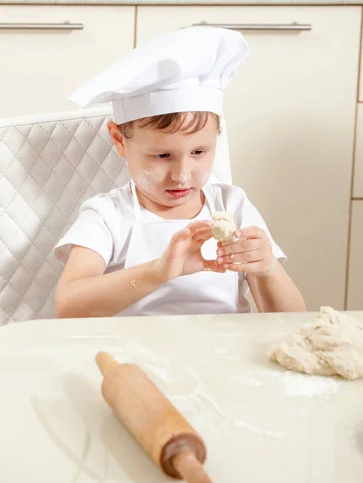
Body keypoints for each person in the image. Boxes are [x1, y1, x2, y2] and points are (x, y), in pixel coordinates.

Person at [53, 26, 305, 318]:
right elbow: (68, 306)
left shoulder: (232, 206)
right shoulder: (108, 215)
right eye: (162, 155)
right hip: (134, 353)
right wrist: (159, 271)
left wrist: (268, 269)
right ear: (120, 140)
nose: (182, 175)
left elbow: (290, 320)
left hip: (222, 354)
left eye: (199, 152)